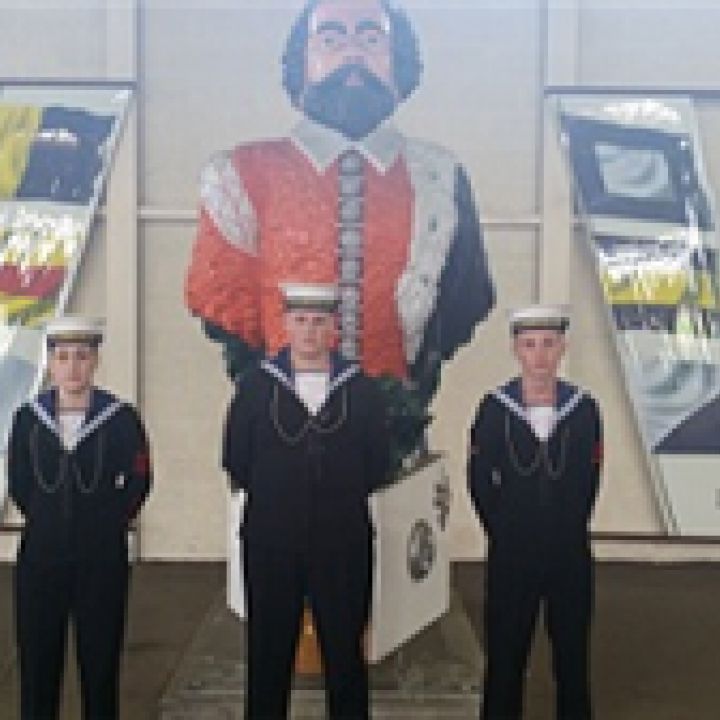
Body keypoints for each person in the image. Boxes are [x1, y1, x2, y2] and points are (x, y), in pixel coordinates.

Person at [186, 0, 494, 463]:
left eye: (371, 39)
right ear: (302, 61)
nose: (352, 54)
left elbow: (463, 299)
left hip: (396, 437)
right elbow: (225, 308)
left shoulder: (440, 178)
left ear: (398, 60)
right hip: (282, 432)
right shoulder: (241, 175)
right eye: (331, 39)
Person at [223, 282, 390, 719]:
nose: (310, 331)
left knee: (345, 653)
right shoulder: (256, 388)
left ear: (333, 327)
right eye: (301, 321)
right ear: (286, 325)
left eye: (319, 321)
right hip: (271, 541)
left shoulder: (362, 391)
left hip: (342, 541)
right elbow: (236, 458)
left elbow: (378, 464)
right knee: (268, 652)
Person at [8, 316, 152, 720]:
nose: (72, 367)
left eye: (82, 356)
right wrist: (46, 519)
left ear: (95, 361)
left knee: (100, 662)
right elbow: (20, 481)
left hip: (101, 558)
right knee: (38, 663)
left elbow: (139, 478)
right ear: (51, 363)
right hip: (42, 557)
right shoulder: (28, 418)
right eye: (63, 357)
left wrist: (108, 522)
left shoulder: (120, 418)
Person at [467, 305, 603, 720]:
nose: (540, 355)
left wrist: (567, 526)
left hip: (568, 553)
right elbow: (479, 480)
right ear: (515, 349)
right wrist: (504, 530)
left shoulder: (583, 410)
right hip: (512, 554)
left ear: (563, 347)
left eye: (548, 344)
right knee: (506, 658)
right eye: (530, 345)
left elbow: (589, 480)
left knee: (572, 659)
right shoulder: (495, 409)